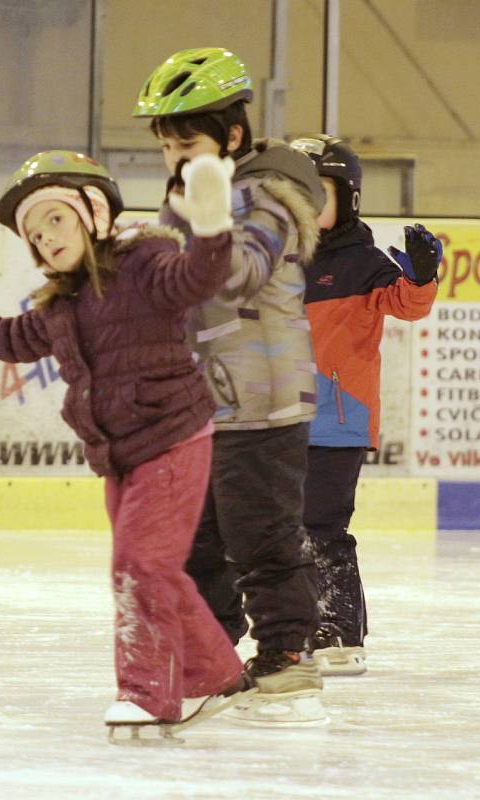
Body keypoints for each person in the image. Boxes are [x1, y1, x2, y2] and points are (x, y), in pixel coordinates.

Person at [0, 148, 256, 737]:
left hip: (171, 438)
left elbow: (199, 278)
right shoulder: (61, 304)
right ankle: (216, 675)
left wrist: (214, 227)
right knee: (158, 568)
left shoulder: (145, 262)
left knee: (139, 565)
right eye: (35, 234)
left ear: (93, 212)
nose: (45, 239)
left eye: (55, 220)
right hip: (120, 455)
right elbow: (9, 338)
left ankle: (147, 692)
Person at [133, 47, 327, 723]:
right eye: (166, 145)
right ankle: (211, 649)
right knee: (196, 538)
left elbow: (239, 273)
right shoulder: (182, 204)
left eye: (188, 141)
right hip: (203, 405)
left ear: (232, 137)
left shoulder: (266, 200)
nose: (176, 157)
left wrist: (201, 226)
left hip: (262, 403)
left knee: (259, 533)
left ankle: (286, 652)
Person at [290, 134, 441, 675]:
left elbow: (405, 304)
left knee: (322, 523)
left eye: (317, 194)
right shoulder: (276, 259)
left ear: (347, 199)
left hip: (339, 417)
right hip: (280, 417)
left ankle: (341, 630)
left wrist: (422, 278)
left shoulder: (360, 261)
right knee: (285, 526)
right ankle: (301, 624)